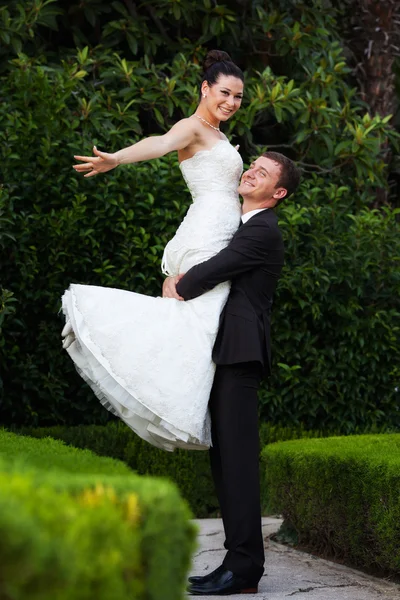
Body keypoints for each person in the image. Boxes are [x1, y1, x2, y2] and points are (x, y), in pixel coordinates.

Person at [61, 50, 245, 451]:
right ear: (205, 88)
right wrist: (118, 159)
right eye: (225, 93)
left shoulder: (219, 135)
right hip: (207, 231)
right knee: (199, 322)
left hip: (217, 228)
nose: (231, 103)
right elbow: (159, 143)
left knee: (200, 321)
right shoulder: (192, 127)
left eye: (238, 97)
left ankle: (181, 401)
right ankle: (169, 400)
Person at [162, 151, 301, 595]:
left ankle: (244, 568)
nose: (251, 172)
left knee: (237, 464)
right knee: (225, 463)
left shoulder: (263, 229)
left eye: (263, 173)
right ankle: (236, 563)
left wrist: (176, 284)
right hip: (225, 352)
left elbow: (219, 269)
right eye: (252, 165)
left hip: (241, 355)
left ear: (277, 193)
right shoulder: (243, 225)